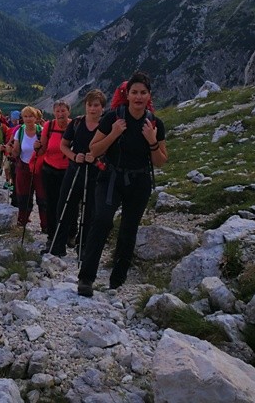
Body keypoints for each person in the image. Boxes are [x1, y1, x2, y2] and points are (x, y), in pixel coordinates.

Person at [77, 72, 168, 297]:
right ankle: (86, 278)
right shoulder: (112, 118)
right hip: (111, 178)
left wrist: (152, 141)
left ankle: (117, 281)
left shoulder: (155, 124)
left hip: (140, 181)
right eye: (134, 92)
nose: (138, 97)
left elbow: (160, 162)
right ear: (127, 95)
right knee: (102, 220)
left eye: (143, 93)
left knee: (129, 229)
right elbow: (94, 149)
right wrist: (114, 134)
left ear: (149, 96)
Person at [49, 90, 106, 257]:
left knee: (90, 211)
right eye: (90, 105)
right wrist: (75, 156)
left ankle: (84, 247)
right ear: (85, 106)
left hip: (95, 173)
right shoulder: (77, 123)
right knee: (64, 207)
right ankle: (58, 246)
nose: (92, 109)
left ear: (102, 107)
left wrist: (96, 157)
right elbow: (63, 145)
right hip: (75, 170)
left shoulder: (106, 126)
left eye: (96, 105)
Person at [39, 100, 71, 251]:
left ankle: (70, 234)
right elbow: (42, 148)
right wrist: (37, 147)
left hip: (68, 170)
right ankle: (52, 236)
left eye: (63, 111)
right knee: (51, 204)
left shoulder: (74, 126)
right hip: (49, 169)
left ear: (68, 112)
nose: (60, 114)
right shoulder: (49, 126)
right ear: (54, 113)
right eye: (57, 111)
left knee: (68, 204)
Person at [11, 106, 47, 230]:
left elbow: (45, 151)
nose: (28, 119)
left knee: (42, 196)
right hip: (23, 167)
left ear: (36, 118)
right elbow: (16, 151)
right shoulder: (19, 131)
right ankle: (22, 220)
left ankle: (45, 224)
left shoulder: (42, 131)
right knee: (23, 195)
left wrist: (40, 147)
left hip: (39, 168)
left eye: (30, 116)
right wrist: (9, 150)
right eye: (25, 116)